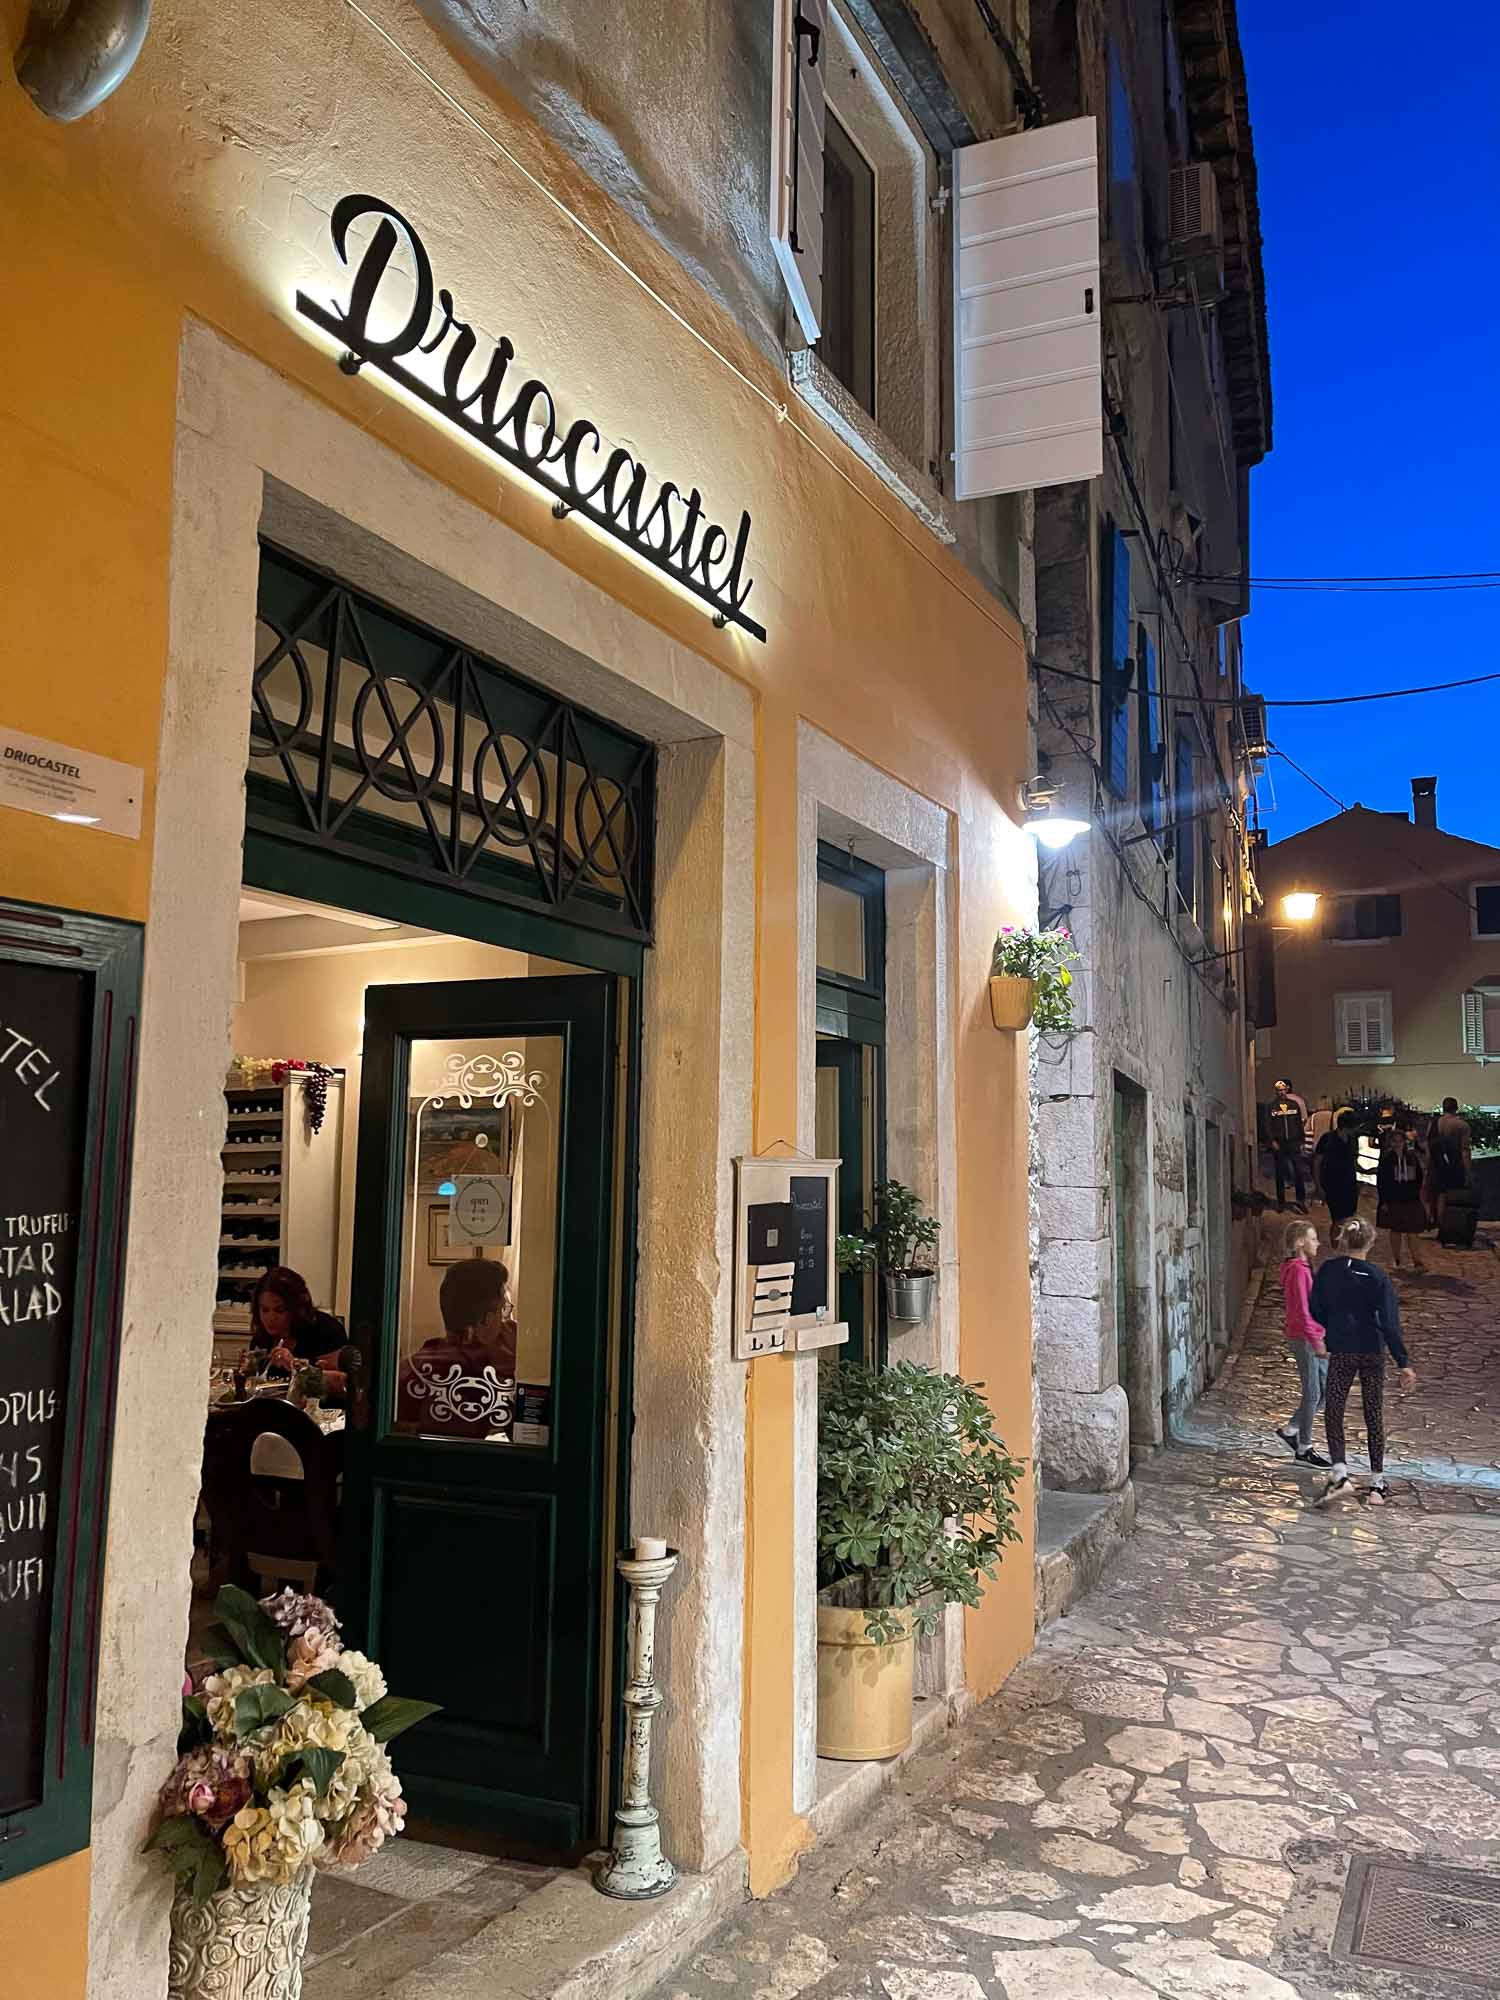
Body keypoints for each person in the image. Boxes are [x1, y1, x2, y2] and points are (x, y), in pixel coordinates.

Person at [1310, 1215, 1415, 1507]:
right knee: (1373, 1412)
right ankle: (1377, 1483)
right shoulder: (1378, 1277)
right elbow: (1390, 1323)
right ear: (1371, 1242)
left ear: (1342, 1239)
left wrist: (1333, 1326)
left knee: (1334, 1408)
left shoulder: (1328, 1270)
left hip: (1343, 1348)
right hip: (1371, 1349)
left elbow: (1315, 1307)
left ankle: (1340, 1473)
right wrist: (1403, 1361)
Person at [395, 1256, 518, 1439]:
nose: (510, 1322)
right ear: (484, 1320)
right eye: (504, 1310)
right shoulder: (488, 1374)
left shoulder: (410, 1369)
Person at [1274, 1219, 1330, 1467]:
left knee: (1325, 1391)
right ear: (1300, 1242)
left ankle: (1290, 1430)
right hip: (1305, 1338)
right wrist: (1316, 1340)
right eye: (1313, 1238)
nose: (1318, 1243)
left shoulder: (1304, 1268)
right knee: (1312, 1394)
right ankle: (1304, 1449)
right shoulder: (1297, 1270)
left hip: (1314, 1335)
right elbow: (1302, 1310)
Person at [247, 1266, 349, 1396]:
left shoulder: (325, 1329)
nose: (271, 1318)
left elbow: (341, 1384)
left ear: (296, 1309)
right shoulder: (262, 1338)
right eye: (265, 1310)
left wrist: (295, 1366)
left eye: (279, 1310)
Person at [1377, 1125, 1429, 1271]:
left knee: (1413, 1231)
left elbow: (1419, 1177)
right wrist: (1384, 1201)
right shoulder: (1387, 1159)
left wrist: (1418, 1194)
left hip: (1411, 1198)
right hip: (1394, 1199)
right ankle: (1397, 1259)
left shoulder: (1412, 1158)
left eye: (1400, 1141)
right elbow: (1382, 1182)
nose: (1398, 1144)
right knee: (1396, 1230)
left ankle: (1417, 1260)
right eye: (1395, 1141)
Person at [1425, 1096, 1472, 1225]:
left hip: (1436, 1164)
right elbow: (1465, 1150)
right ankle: (1449, 1225)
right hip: (1454, 1164)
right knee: (1452, 1196)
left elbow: (1428, 1147)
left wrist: (1427, 1167)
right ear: (1456, 1108)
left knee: (1438, 1194)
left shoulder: (1433, 1124)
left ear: (1443, 1108)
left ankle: (1437, 1223)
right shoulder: (1462, 1125)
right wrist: (1468, 1172)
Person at [1267, 1079, 1309, 1211]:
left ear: (1287, 1090)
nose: (1281, 1092)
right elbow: (1268, 1125)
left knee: (1298, 1171)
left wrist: (1302, 1140)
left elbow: (1299, 1124)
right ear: (1276, 1092)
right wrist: (1272, 1140)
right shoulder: (1272, 1107)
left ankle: (1301, 1200)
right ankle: (1281, 1202)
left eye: (1283, 1090)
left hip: (1294, 1142)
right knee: (1280, 1173)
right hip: (1279, 1143)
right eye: (1279, 1090)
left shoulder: (1294, 1105)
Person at [1314, 1109, 1362, 1226]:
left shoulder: (1353, 1140)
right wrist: (1318, 1186)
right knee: (1338, 1220)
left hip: (1350, 1184)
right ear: (1347, 1127)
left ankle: (1345, 1238)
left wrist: (1363, 1174)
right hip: (1333, 1185)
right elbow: (1316, 1163)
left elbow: (1353, 1162)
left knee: (1350, 1218)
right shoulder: (1327, 1139)